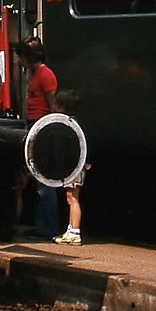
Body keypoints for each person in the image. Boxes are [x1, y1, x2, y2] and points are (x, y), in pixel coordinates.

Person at [13, 35, 60, 237]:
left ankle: (47, 227)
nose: (19, 61)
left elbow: (53, 105)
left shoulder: (44, 75)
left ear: (27, 56)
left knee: (44, 180)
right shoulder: (34, 74)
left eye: (21, 57)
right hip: (35, 126)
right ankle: (43, 225)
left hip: (41, 126)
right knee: (38, 178)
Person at [53, 88, 89, 246]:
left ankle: (75, 232)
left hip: (75, 166)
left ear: (62, 107)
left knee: (72, 198)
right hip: (75, 165)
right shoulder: (75, 122)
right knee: (71, 197)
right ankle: (70, 230)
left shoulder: (69, 124)